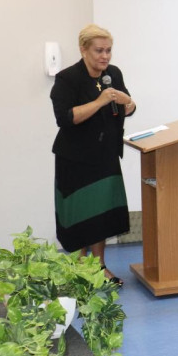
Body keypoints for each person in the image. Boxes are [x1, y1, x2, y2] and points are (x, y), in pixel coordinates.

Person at [51, 24, 137, 284]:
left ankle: (99, 268)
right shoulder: (67, 79)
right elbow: (65, 118)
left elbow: (129, 107)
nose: (105, 56)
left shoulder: (113, 74)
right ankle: (80, 270)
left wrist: (128, 102)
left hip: (105, 155)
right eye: (99, 50)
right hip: (75, 159)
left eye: (108, 50)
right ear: (83, 50)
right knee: (80, 216)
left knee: (102, 216)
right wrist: (99, 102)